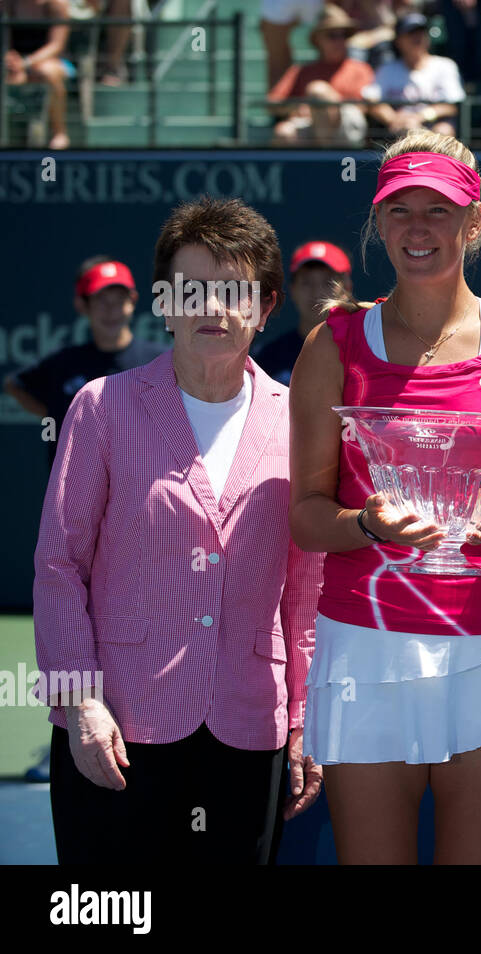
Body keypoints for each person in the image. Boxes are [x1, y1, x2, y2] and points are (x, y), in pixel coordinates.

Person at [288, 130, 481, 864]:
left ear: (475, 223)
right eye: (400, 210)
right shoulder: (333, 345)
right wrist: (369, 525)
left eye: (439, 210)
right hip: (367, 645)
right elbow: (309, 517)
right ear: (378, 224)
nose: (418, 228)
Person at [34, 197, 327, 864]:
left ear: (266, 305)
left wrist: (307, 720)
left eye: (235, 291)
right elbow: (57, 567)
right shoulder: (100, 409)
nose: (213, 308)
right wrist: (78, 704)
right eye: (193, 289)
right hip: (116, 730)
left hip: (251, 726)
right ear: (164, 302)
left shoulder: (302, 421)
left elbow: (305, 597)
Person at [6, 257, 167, 469]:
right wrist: (56, 413)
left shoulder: (162, 360)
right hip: (74, 486)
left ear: (133, 301)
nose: (111, 310)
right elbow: (15, 384)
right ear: (82, 305)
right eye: (101, 300)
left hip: (141, 488)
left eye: (119, 299)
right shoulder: (62, 363)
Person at [267, 4, 376, 146]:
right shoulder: (302, 71)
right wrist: (301, 107)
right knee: (283, 133)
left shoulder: (361, 69)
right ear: (318, 40)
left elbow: (368, 106)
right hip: (310, 125)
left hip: (348, 126)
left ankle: (325, 161)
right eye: (332, 35)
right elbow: (273, 103)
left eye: (343, 35)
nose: (339, 41)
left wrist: (325, 106)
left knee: (318, 91)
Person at [254, 241, 354, 387]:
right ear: (292, 289)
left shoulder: (366, 349)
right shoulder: (267, 356)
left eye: (328, 283)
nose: (316, 293)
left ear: (347, 288)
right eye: (307, 283)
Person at [363, 12, 465, 138]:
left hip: (433, 125)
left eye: (421, 32)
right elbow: (372, 100)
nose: (417, 38)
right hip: (400, 130)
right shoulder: (388, 69)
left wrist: (422, 116)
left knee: (443, 131)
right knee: (409, 129)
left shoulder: (444, 65)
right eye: (411, 33)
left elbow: (453, 105)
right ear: (398, 40)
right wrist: (393, 119)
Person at [4, 0, 73, 149]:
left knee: (48, 72)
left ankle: (59, 133)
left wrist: (26, 62)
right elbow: (6, 39)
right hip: (17, 62)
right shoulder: (8, 4)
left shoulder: (57, 5)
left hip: (50, 60)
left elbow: (57, 45)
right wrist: (10, 59)